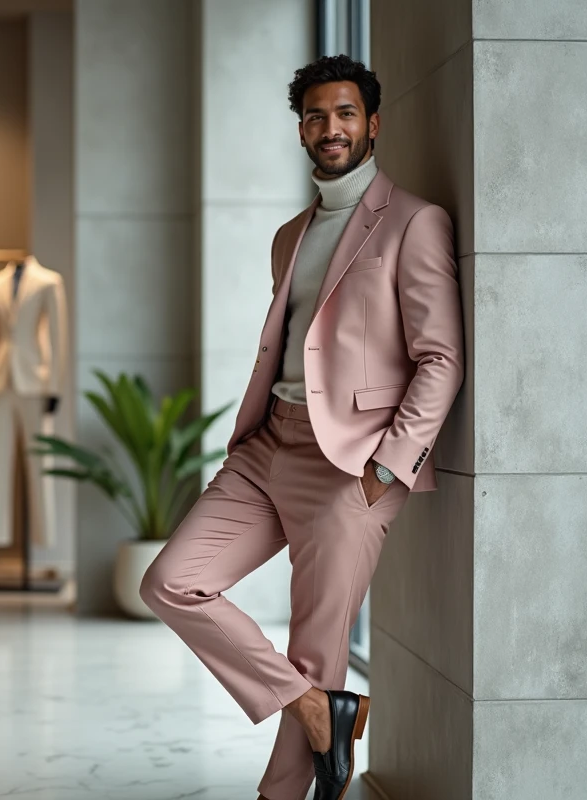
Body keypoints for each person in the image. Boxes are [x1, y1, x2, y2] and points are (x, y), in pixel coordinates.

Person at [139, 55, 464, 800]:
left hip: (351, 464)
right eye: (317, 117)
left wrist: (390, 464)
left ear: (373, 124)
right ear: (301, 131)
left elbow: (441, 356)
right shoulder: (291, 234)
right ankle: (319, 709)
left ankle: (281, 792)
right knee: (173, 582)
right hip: (267, 447)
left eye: (346, 114)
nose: (332, 129)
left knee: (318, 648)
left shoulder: (413, 221)